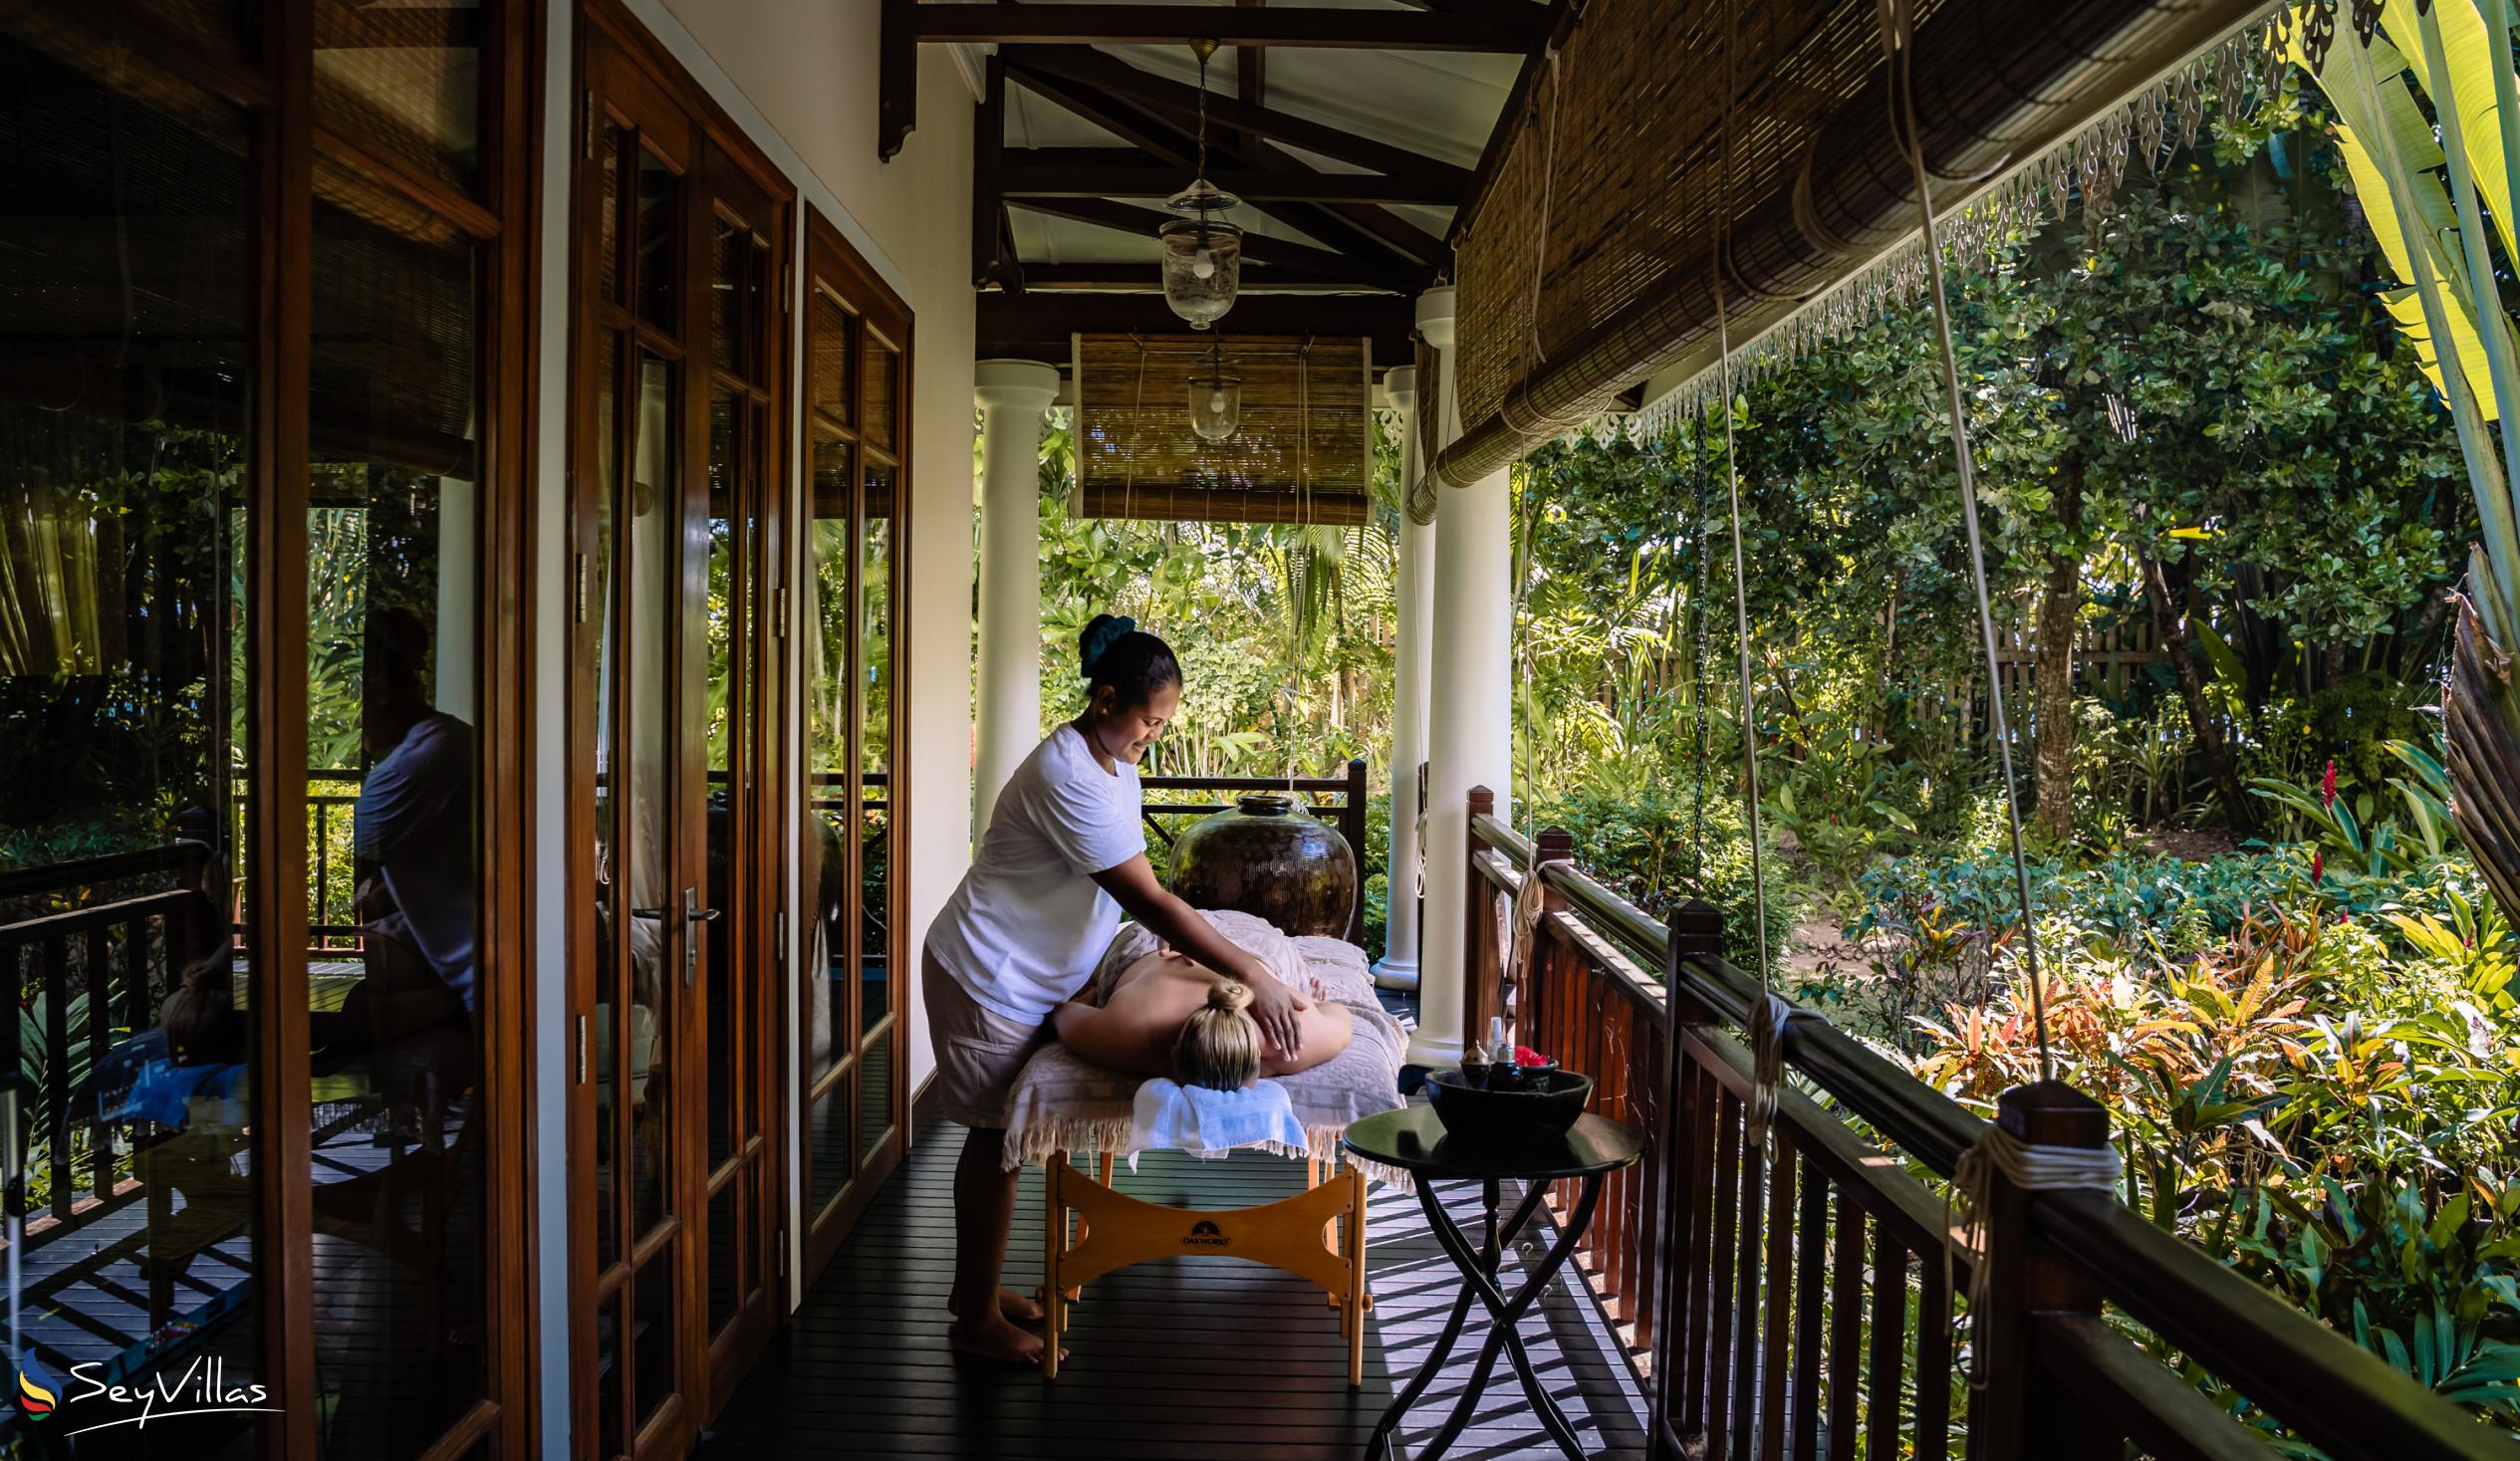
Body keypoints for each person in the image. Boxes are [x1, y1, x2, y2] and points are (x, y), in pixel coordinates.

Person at [922, 613, 1313, 1364]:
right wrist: (1252, 974)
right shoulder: (1066, 773)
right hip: (985, 972)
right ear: (1104, 700)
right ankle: (975, 1319)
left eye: (1162, 723)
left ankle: (973, 1290)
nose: (1153, 737)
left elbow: (1125, 877)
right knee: (994, 1141)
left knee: (1001, 1139)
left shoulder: (1112, 761)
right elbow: (1152, 898)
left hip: (1030, 970)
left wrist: (1152, 932)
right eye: (1147, 720)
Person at [1050, 946, 1354, 1089]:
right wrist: (1310, 1003)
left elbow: (1064, 1010)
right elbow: (1339, 1012)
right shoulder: (1293, 1039)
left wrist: (1093, 991)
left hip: (1243, 945)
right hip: (1165, 943)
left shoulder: (1127, 1035)